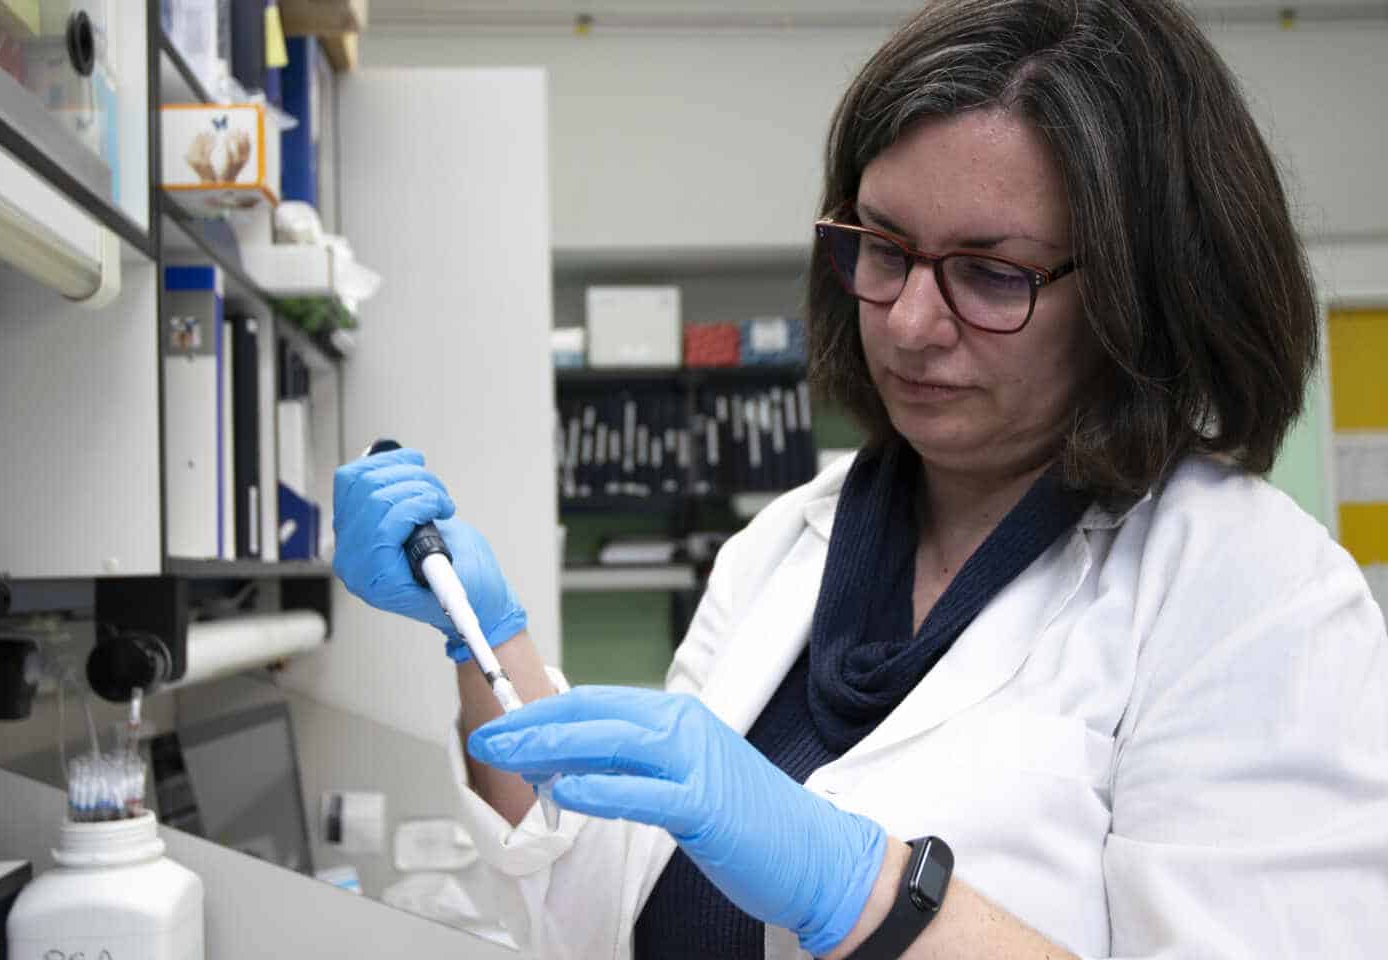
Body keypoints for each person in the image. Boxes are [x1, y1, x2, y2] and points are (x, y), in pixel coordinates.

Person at [332, 0, 1388, 956]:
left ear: (1142, 294)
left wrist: (867, 895)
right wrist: (477, 633)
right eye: (884, 248)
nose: (913, 324)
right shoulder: (790, 542)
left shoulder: (1250, 594)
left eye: (990, 272)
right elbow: (601, 889)